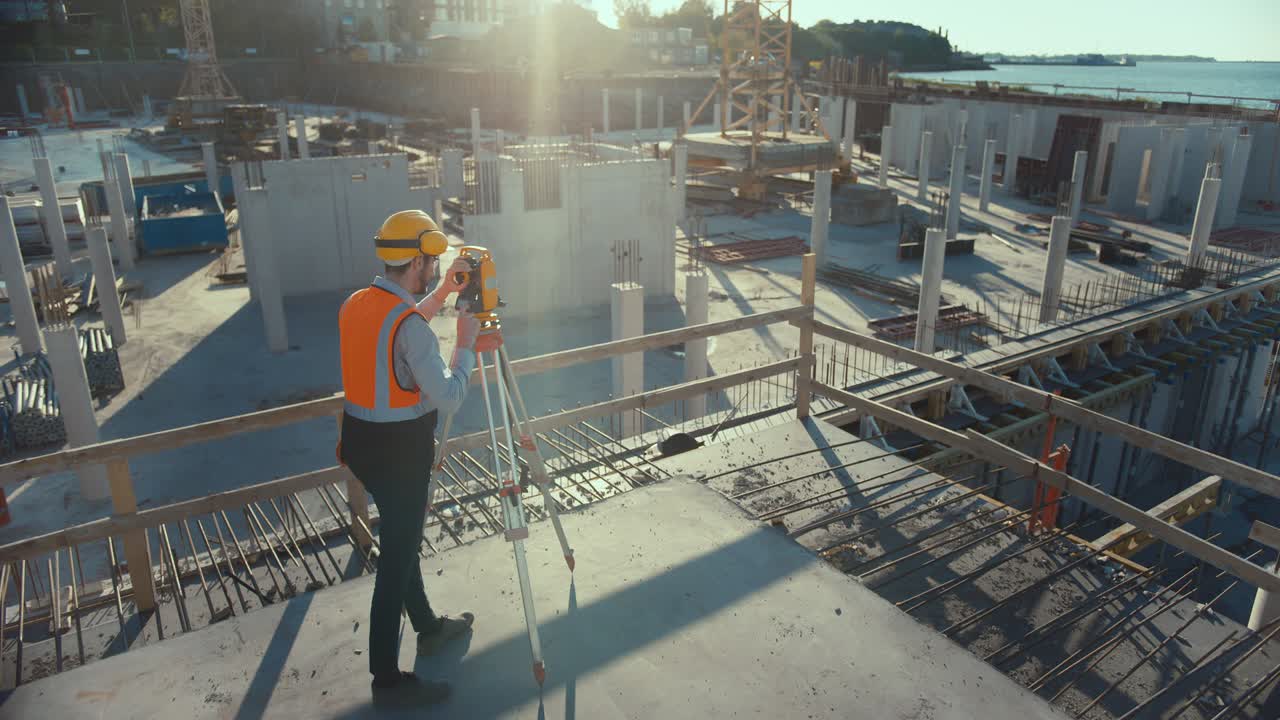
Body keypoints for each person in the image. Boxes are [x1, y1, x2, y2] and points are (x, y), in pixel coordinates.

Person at [337, 209, 480, 704]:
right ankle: (387, 681)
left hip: (360, 448)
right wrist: (465, 345)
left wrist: (441, 297)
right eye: (433, 263)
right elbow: (448, 396)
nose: (436, 270)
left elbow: (398, 326)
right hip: (400, 455)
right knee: (397, 560)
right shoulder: (411, 328)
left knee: (401, 535)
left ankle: (429, 627)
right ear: (418, 260)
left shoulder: (358, 304)